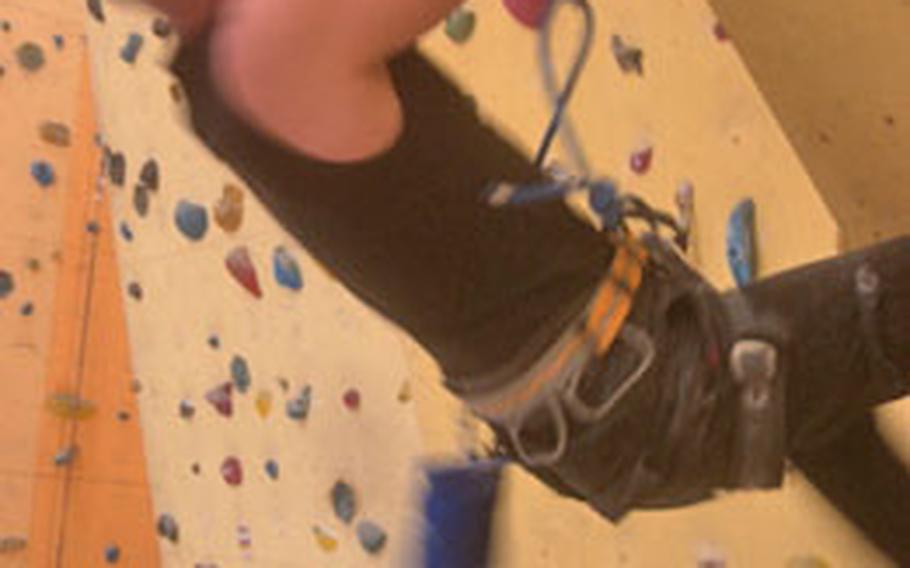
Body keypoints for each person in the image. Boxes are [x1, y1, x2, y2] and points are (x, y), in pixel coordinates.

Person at [146, 0, 910, 562]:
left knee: (828, 429)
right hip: (646, 389)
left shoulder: (220, 90)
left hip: (615, 412)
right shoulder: (267, 49)